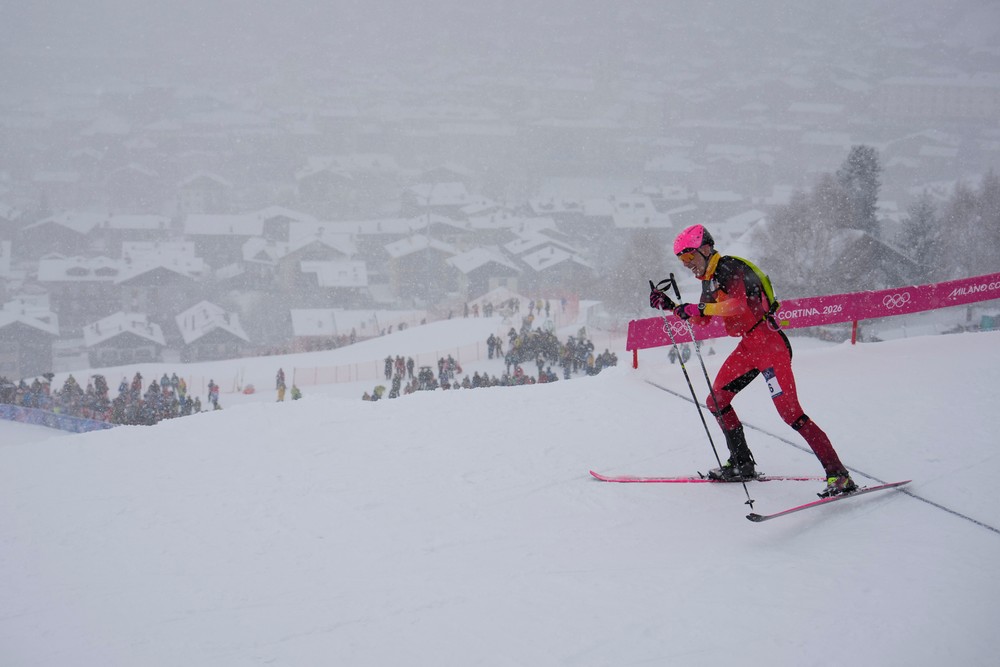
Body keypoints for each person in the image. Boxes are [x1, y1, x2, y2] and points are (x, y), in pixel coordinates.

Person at [649, 224, 856, 497]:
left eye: (690, 257)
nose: (687, 265)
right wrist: (672, 306)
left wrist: (697, 307)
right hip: (748, 346)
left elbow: (737, 306)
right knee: (717, 401)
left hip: (770, 345)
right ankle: (741, 464)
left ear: (706, 249)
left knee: (790, 414)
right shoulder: (709, 280)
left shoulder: (728, 267)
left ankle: (839, 475)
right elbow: (702, 319)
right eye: (682, 261)